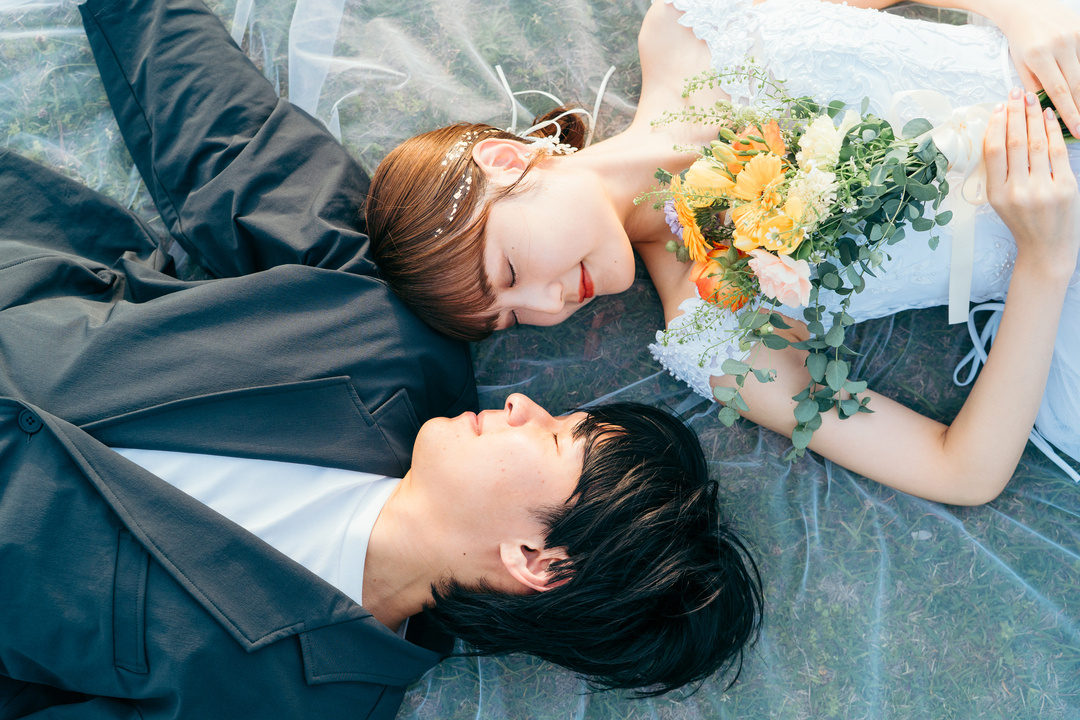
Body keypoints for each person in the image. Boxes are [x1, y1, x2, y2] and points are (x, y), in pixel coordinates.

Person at [0, 0, 763, 717]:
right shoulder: (392, 337)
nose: (522, 405)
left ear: (536, 559)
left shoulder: (287, 703)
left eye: (558, 436)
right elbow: (234, 149)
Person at [366, 0, 1080, 506]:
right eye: (514, 318)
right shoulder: (714, 333)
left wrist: (1026, 13)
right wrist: (1045, 262)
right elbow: (961, 472)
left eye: (510, 272)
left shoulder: (687, 24)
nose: (550, 303)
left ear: (505, 160)